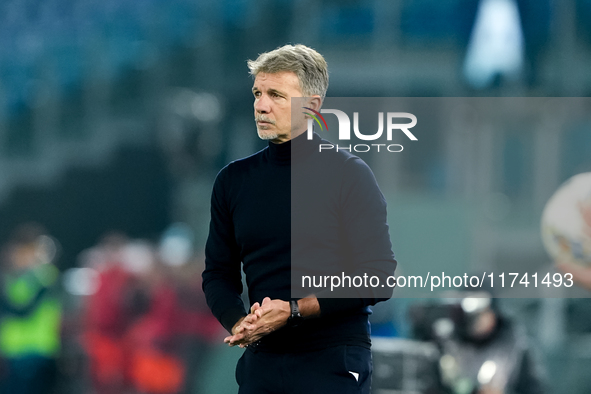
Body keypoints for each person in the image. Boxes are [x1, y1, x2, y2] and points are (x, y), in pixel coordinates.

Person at [202, 44, 397, 394]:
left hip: (332, 360)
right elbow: (218, 273)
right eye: (258, 93)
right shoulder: (233, 181)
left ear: (312, 106)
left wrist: (293, 310)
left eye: (276, 94)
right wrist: (239, 321)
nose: (261, 105)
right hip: (262, 362)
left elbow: (377, 276)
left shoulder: (348, 174)